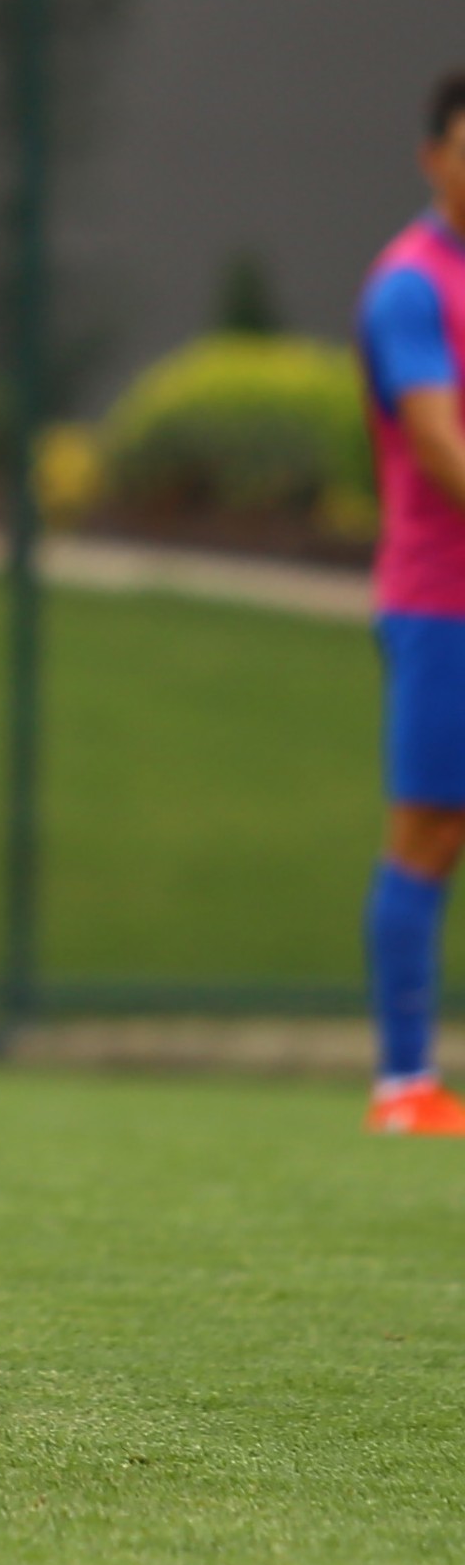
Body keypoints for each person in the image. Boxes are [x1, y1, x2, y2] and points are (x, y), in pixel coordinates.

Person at [354, 67, 465, 1137]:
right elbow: (438, 444)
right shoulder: (412, 286)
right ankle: (404, 1084)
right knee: (429, 832)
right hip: (443, 605)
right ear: (434, 157)